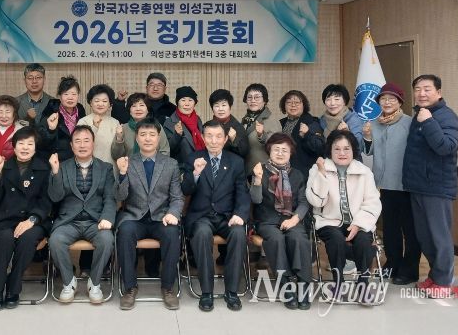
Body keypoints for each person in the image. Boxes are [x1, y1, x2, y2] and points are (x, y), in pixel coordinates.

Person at [181, 120, 251, 312]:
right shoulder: (193, 158)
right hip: (201, 216)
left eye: (218, 136)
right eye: (209, 136)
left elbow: (242, 193)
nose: (214, 141)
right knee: (202, 234)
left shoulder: (235, 162)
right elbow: (185, 189)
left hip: (227, 216)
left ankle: (232, 291)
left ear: (225, 138)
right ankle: (206, 292)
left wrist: (240, 214)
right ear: (203, 138)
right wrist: (195, 174)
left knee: (238, 233)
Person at [402, 74, 458, 298]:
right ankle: (435, 277)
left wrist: (428, 122)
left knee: (439, 237)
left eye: (427, 89)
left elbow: (446, 147)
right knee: (425, 237)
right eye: (418, 89)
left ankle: (444, 282)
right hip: (417, 186)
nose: (422, 93)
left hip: (437, 188)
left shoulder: (446, 116)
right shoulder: (419, 115)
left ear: (439, 92)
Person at [115, 119, 184, 311]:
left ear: (158, 137)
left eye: (152, 135)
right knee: (125, 232)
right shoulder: (128, 162)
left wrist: (173, 213)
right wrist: (122, 174)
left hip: (161, 217)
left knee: (172, 233)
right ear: (137, 138)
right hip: (134, 217)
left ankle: (168, 287)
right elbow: (120, 196)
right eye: (143, 135)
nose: (147, 139)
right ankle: (129, 288)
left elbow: (177, 197)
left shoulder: (170, 164)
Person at [306, 130, 382, 304]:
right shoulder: (318, 169)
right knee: (336, 239)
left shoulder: (364, 172)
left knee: (363, 240)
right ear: (330, 151)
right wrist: (322, 175)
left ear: (353, 150)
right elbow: (316, 201)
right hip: (329, 221)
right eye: (337, 149)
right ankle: (338, 284)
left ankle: (363, 285)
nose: (342, 153)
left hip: (358, 221)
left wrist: (359, 224)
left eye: (346, 149)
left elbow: (372, 203)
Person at [47, 126, 116, 304]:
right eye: (77, 141)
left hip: (96, 221)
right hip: (69, 221)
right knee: (55, 240)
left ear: (93, 144)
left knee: (107, 239)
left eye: (86, 141)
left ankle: (95, 283)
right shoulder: (62, 167)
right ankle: (69, 282)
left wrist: (107, 218)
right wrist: (55, 173)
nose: (82, 145)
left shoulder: (106, 168)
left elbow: (110, 197)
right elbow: (55, 197)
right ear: (71, 146)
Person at [0, 127, 52, 310]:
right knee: (5, 239)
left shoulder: (43, 168)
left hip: (33, 220)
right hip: (5, 220)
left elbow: (46, 201)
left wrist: (32, 220)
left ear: (35, 148)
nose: (25, 147)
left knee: (28, 238)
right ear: (13, 147)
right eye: (21, 143)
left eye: (30, 144)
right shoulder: (3, 166)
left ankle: (13, 289)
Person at [362, 82, 420, 285]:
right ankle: (392, 263)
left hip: (406, 185)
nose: (387, 102)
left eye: (391, 99)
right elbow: (368, 151)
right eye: (383, 99)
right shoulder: (374, 123)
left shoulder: (409, 122)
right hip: (384, 185)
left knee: (410, 230)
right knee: (389, 228)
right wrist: (367, 137)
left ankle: (410, 269)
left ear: (400, 102)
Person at [249, 133, 312, 310]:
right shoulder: (260, 170)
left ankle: (303, 285)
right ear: (269, 151)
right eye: (276, 149)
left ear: (291, 153)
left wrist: (295, 219)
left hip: (292, 218)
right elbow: (255, 200)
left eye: (284, 150)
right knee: (276, 239)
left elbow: (304, 201)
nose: (280, 153)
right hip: (267, 220)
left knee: (299, 238)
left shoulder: (297, 174)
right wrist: (257, 180)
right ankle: (286, 285)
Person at [38, 75, 86, 162]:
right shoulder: (51, 111)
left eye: (74, 94)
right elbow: (41, 142)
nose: (70, 97)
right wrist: (51, 130)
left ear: (78, 95)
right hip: (57, 160)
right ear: (60, 96)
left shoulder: (81, 110)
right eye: (66, 94)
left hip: (78, 159)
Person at [278, 90, 325, 177]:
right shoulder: (282, 123)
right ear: (284, 105)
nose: (293, 105)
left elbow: (320, 147)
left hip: (303, 173)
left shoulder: (311, 122)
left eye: (297, 102)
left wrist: (307, 134)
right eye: (289, 102)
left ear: (304, 105)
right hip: (284, 170)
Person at [111, 93, 170, 161]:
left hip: (155, 166)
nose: (138, 109)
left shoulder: (156, 126)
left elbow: (165, 151)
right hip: (129, 166)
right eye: (134, 106)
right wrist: (119, 138)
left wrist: (155, 165)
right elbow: (116, 156)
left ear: (148, 109)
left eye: (142, 105)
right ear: (129, 110)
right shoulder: (123, 128)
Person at [241, 83, 282, 177]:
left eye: (257, 97)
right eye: (249, 97)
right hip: (246, 170)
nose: (253, 100)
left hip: (265, 172)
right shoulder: (245, 119)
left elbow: (277, 147)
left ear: (265, 100)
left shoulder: (272, 120)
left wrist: (262, 135)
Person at [163, 86, 205, 171]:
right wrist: (177, 135)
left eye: (190, 100)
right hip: (182, 170)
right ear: (177, 103)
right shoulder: (170, 122)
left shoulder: (197, 119)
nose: (187, 104)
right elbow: (167, 150)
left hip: (201, 167)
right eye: (183, 100)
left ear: (195, 103)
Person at [77, 84, 120, 165]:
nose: (100, 104)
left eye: (104, 101)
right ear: (91, 103)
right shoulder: (83, 121)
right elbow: (80, 146)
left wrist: (120, 137)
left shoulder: (115, 122)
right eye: (97, 101)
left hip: (111, 167)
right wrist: (94, 127)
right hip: (90, 167)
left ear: (110, 104)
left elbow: (118, 153)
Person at [318, 84, 364, 158]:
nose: (332, 103)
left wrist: (348, 133)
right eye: (328, 99)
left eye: (337, 99)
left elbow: (359, 149)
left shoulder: (353, 119)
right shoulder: (322, 120)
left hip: (350, 162)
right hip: (328, 161)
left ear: (344, 101)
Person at [112, 72, 176, 125]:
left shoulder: (173, 109)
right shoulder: (137, 105)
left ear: (165, 89)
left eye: (159, 85)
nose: (155, 88)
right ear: (146, 88)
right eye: (151, 85)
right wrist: (119, 101)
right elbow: (120, 120)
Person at [209, 89, 249, 159]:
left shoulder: (238, 127)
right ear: (212, 108)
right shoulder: (207, 127)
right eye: (217, 106)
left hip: (231, 165)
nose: (220, 109)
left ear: (230, 107)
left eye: (224, 105)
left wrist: (234, 139)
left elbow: (244, 153)